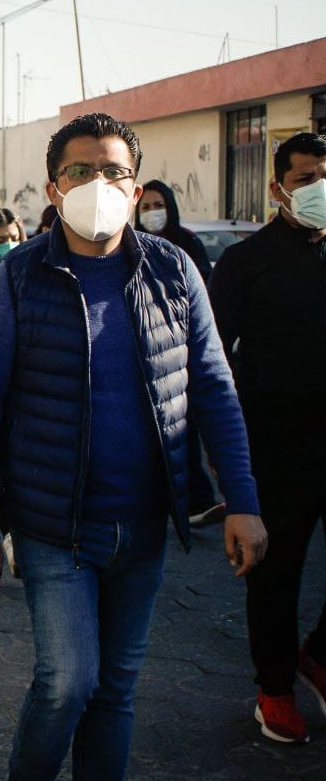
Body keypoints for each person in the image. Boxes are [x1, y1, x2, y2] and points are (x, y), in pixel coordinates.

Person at [0, 112, 268, 780]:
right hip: (52, 528)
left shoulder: (174, 271)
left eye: (113, 171)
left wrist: (241, 497)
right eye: (80, 170)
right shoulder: (17, 280)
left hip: (144, 525)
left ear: (135, 187)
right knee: (68, 679)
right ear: (51, 187)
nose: (98, 182)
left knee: (116, 687)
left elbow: (214, 387)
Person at [209, 131, 326, 745]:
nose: (319, 189)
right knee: (275, 577)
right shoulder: (245, 263)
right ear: (278, 186)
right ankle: (275, 690)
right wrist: (222, 452)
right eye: (307, 179)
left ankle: (320, 655)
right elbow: (212, 361)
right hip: (276, 450)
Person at [134, 179, 224, 527]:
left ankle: (197, 501)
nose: (153, 213)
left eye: (159, 206)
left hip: (183, 353)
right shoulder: (128, 248)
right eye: (146, 207)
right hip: (146, 357)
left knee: (188, 430)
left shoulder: (187, 246)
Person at [135, 179, 212, 280]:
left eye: (159, 205)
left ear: (170, 207)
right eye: (146, 207)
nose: (152, 211)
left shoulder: (189, 242)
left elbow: (204, 281)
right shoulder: (131, 244)